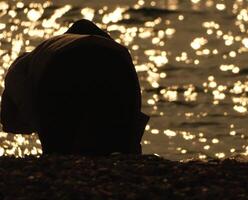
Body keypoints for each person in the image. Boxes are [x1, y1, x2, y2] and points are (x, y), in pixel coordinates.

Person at [0, 19, 149, 155]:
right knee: (116, 146)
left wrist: (46, 134)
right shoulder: (113, 48)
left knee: (60, 154)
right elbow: (132, 104)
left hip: (62, 66)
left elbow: (16, 117)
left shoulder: (26, 61)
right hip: (118, 65)